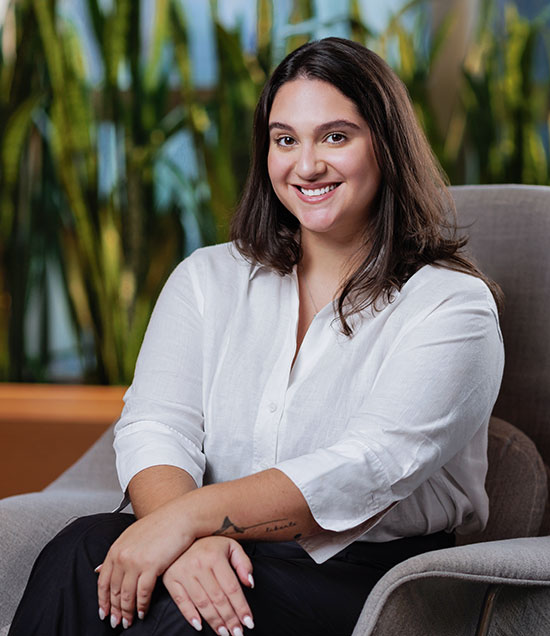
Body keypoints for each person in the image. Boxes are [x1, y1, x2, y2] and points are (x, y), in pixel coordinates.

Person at [9, 37, 504, 636]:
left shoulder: (451, 305)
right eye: (285, 139)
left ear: (387, 147)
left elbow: (369, 465)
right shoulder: (207, 278)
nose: (306, 164)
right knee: (78, 553)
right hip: (217, 543)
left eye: (336, 136)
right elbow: (155, 426)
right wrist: (188, 538)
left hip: (363, 574)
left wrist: (189, 522)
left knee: (182, 622)